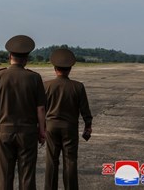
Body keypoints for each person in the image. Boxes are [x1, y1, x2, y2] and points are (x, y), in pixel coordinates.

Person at [0, 35, 46, 190]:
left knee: (4, 175)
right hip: (27, 133)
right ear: (26, 59)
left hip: (5, 131)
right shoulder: (34, 77)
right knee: (27, 174)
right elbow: (40, 108)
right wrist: (42, 131)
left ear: (9, 57)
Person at [44, 48, 93, 190]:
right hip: (70, 127)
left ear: (55, 68)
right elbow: (85, 110)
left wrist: (40, 127)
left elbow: (41, 109)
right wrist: (88, 126)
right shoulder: (78, 86)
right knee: (70, 161)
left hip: (51, 126)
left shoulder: (46, 86)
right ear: (70, 69)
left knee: (51, 161)